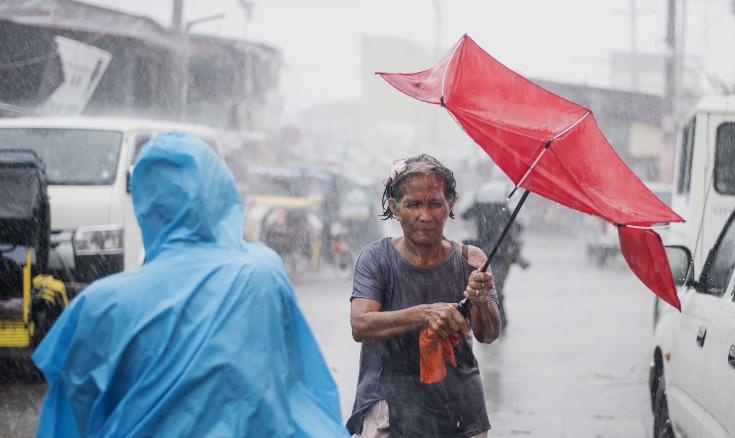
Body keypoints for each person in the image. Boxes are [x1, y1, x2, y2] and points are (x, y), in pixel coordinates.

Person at [33, 132, 348, 437]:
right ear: (220, 194)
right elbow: (306, 387)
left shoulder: (100, 305)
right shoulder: (260, 275)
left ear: (144, 205)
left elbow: (66, 421)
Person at [347, 154, 501, 438]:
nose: (425, 215)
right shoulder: (376, 259)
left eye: (434, 203)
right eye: (413, 204)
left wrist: (481, 302)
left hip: (459, 409)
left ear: (450, 205)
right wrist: (425, 313)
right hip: (390, 405)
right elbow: (360, 325)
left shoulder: (471, 259)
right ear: (394, 208)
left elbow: (489, 334)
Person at [463, 183, 531, 330]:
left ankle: (498, 322)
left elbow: (465, 215)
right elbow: (520, 225)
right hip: (491, 254)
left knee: (494, 287)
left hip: (496, 254)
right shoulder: (504, 204)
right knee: (493, 287)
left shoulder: (481, 202)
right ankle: (495, 322)